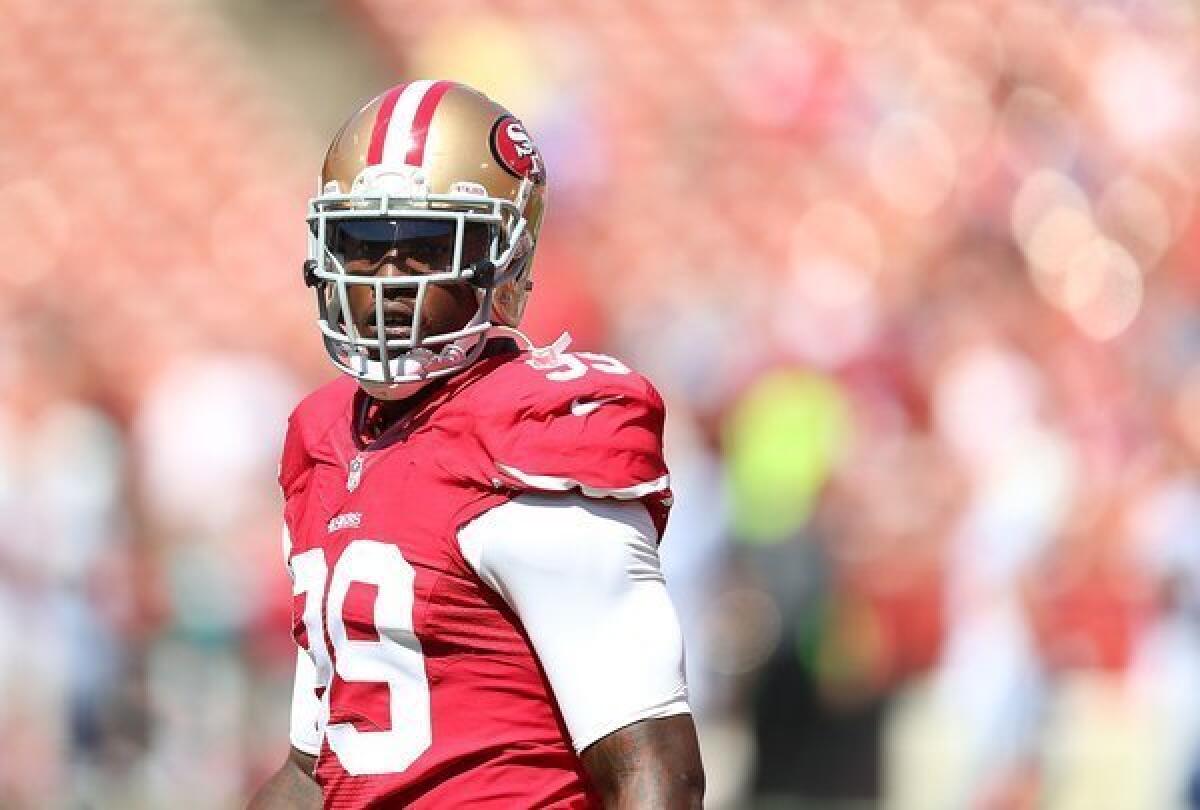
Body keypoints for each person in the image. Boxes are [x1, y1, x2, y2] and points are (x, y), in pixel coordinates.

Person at [248, 80, 704, 808]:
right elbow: (314, 773)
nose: (387, 282)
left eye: (426, 247)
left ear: (504, 262)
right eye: (363, 247)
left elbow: (655, 773)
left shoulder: (538, 437)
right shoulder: (326, 440)